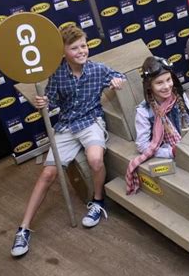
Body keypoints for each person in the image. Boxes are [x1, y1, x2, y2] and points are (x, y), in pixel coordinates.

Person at [11, 25, 126, 257]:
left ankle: (97, 202)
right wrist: (42, 103)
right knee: (47, 174)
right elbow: (50, 102)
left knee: (95, 159)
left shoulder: (97, 69)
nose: (81, 51)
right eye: (74, 48)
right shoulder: (57, 75)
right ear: (63, 52)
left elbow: (118, 76)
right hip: (65, 127)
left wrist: (117, 81)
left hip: (91, 121)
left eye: (84, 45)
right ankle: (24, 228)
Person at [125, 57, 189, 194]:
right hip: (162, 154)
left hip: (181, 146)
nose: (166, 86)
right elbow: (142, 145)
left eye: (168, 80)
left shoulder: (179, 97)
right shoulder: (143, 111)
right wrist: (169, 152)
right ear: (149, 86)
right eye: (159, 83)